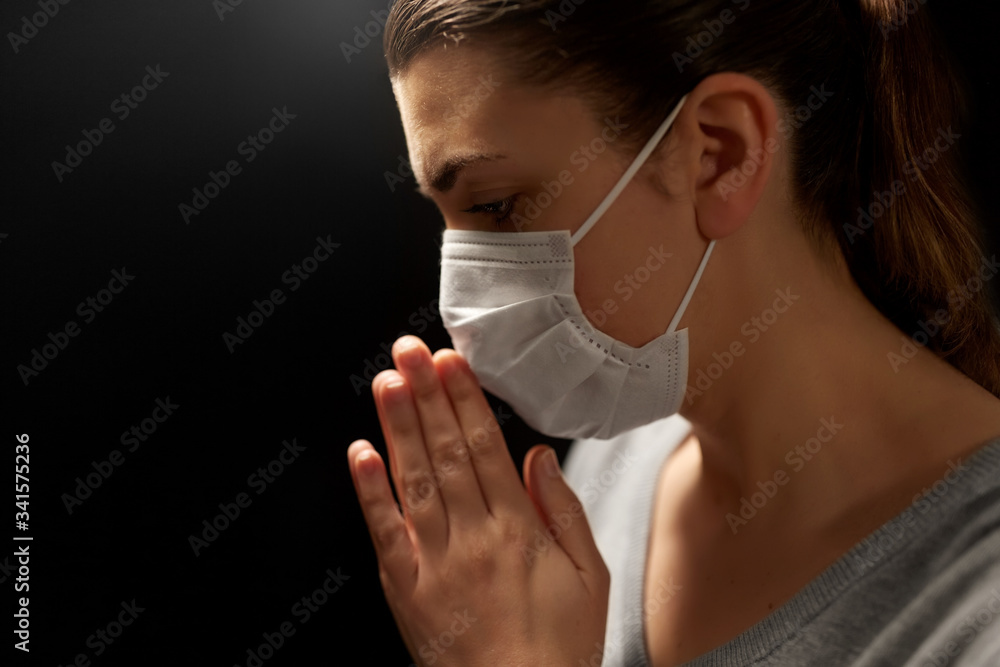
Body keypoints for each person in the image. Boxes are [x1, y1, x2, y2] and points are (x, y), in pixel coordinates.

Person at [346, 1, 1000, 665]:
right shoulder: (619, 459)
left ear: (720, 153)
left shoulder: (978, 606)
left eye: (495, 206)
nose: (460, 295)